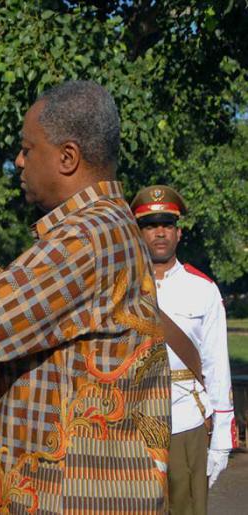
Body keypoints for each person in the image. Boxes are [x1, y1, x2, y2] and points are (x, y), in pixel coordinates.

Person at [0, 80, 172, 513]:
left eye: (28, 149)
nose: (18, 160)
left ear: (67, 157)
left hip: (69, 499)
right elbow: (42, 315)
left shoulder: (85, 238)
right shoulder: (103, 226)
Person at [131, 185, 236, 514]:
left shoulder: (202, 289)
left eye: (167, 225)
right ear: (138, 234)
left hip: (186, 419)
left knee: (187, 509)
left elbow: (217, 364)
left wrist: (222, 439)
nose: (160, 233)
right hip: (131, 420)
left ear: (178, 233)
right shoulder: (122, 287)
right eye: (150, 226)